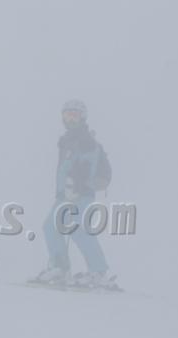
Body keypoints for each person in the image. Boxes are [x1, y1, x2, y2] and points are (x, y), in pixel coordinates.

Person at [31, 99, 114, 288]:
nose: (70, 120)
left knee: (78, 229)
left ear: (82, 117)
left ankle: (98, 271)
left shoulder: (88, 142)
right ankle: (60, 268)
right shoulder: (66, 141)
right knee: (50, 227)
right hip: (64, 195)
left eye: (74, 116)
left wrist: (81, 182)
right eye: (67, 115)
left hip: (81, 195)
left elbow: (94, 170)